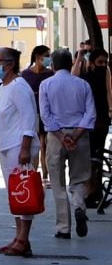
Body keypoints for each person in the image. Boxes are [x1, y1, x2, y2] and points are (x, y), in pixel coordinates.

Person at [0, 46, 38, 257]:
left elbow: (28, 118)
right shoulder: (5, 87)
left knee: (24, 190)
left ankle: (23, 238)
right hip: (6, 145)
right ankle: (19, 237)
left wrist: (25, 148)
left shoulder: (19, 87)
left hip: (17, 146)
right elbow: (5, 116)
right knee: (15, 193)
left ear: (10, 64)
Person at [40, 47, 95, 240]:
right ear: (72, 63)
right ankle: (79, 205)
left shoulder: (46, 85)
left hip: (56, 136)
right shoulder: (83, 85)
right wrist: (77, 133)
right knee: (79, 177)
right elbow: (90, 112)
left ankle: (63, 228)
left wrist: (62, 136)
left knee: (57, 181)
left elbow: (45, 115)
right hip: (80, 135)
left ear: (52, 65)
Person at [72, 43, 111, 207]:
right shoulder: (85, 72)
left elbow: (110, 91)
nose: (103, 65)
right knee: (87, 158)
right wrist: (80, 56)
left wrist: (110, 111)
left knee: (97, 157)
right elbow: (73, 77)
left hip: (101, 119)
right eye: (100, 62)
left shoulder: (106, 73)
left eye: (105, 62)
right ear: (93, 61)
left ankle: (96, 192)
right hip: (87, 120)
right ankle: (89, 191)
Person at [21, 45, 53, 182]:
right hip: (32, 113)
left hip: (46, 112)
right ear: (38, 57)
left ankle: (46, 174)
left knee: (45, 143)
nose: (48, 59)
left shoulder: (50, 74)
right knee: (35, 144)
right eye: (46, 55)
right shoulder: (26, 74)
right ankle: (33, 174)